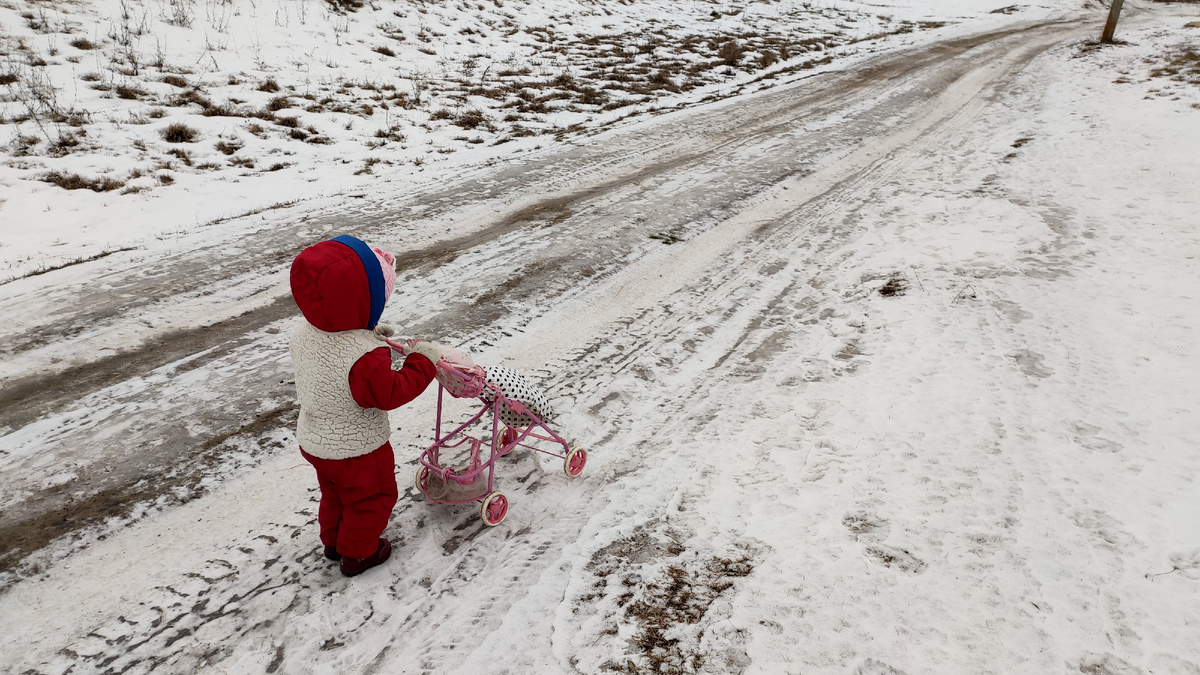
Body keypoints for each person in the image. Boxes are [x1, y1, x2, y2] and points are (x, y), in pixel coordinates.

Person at [288, 234, 443, 577]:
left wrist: (367, 333)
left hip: (315, 440)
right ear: (359, 299)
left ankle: (333, 542)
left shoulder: (305, 332)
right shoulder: (364, 358)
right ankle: (358, 554)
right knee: (372, 497)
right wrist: (422, 362)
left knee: (336, 493)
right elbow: (390, 391)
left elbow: (334, 352)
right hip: (356, 449)